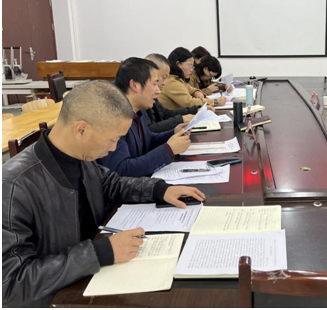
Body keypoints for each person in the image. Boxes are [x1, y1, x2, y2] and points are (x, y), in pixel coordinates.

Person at [2, 80, 205, 307]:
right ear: (81, 130)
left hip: (92, 278)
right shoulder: (13, 186)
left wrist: (160, 189)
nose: (113, 148)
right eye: (113, 139)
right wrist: (98, 253)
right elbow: (10, 285)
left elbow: (111, 184)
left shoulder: (80, 155)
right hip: (60, 298)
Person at [99, 58, 192, 177]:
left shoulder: (139, 110)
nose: (158, 91)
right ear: (135, 85)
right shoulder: (113, 117)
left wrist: (173, 132)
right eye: (154, 84)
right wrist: (168, 150)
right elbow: (122, 169)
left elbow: (147, 140)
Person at [145, 53, 202, 133]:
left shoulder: (153, 94)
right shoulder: (141, 99)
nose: (165, 83)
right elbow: (150, 130)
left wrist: (195, 109)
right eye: (163, 78)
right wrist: (181, 119)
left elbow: (165, 114)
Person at [159, 47, 227, 110]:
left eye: (192, 66)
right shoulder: (172, 81)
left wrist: (196, 92)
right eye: (189, 66)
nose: (191, 70)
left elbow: (191, 89)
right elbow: (189, 103)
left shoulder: (179, 79)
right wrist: (215, 102)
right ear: (178, 64)